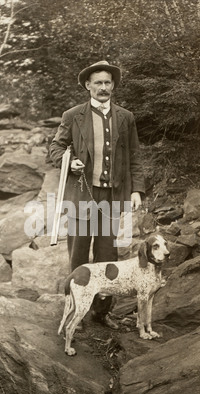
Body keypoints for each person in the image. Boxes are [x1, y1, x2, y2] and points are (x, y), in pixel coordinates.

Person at [50, 61, 145, 329]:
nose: (103, 88)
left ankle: (101, 312)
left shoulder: (126, 117)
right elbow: (56, 148)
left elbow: (135, 156)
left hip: (112, 197)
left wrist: (137, 189)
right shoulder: (73, 115)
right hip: (81, 195)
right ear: (88, 86)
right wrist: (69, 162)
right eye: (98, 83)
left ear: (113, 85)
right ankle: (73, 309)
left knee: (107, 255)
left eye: (107, 83)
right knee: (78, 254)